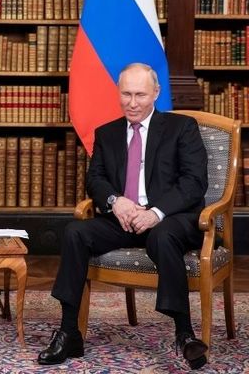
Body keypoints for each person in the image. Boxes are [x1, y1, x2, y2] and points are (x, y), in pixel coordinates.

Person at [37, 63, 210, 370]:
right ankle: (68, 331)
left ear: (156, 93)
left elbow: (194, 183)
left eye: (140, 95)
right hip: (123, 220)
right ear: (117, 92)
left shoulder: (181, 128)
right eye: (126, 94)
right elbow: (96, 179)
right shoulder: (107, 133)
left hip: (171, 219)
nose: (132, 102)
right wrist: (116, 202)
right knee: (76, 232)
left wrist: (155, 213)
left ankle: (184, 334)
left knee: (163, 235)